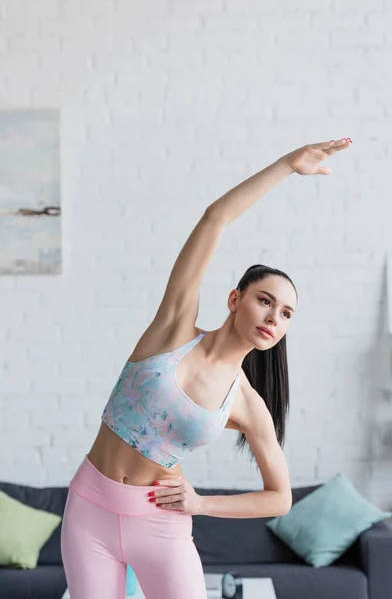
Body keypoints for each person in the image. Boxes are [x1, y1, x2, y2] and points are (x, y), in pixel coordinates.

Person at [61, 137, 351, 599]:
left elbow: (280, 497)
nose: (275, 317)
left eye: (287, 314)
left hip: (160, 526)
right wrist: (287, 166)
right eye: (265, 301)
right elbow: (215, 219)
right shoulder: (172, 330)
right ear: (235, 300)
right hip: (89, 512)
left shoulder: (246, 403)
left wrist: (202, 503)